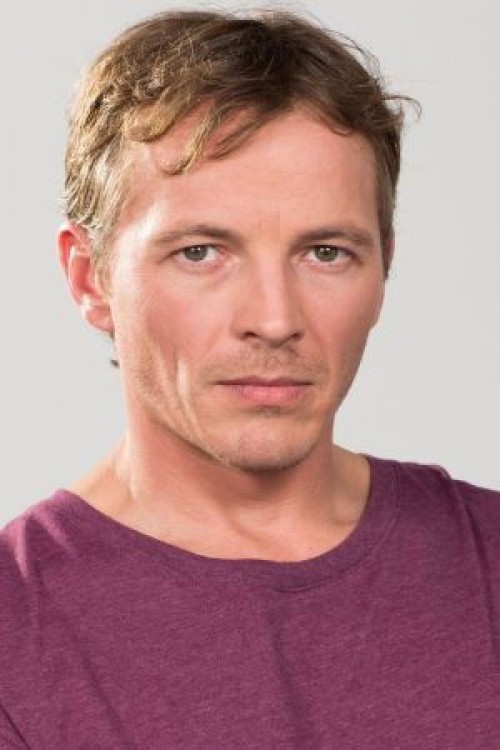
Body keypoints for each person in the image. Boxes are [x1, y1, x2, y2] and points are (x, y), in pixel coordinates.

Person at [1, 8, 499, 749]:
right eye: (201, 252)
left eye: (325, 253)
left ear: (383, 267)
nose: (274, 319)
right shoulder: (16, 634)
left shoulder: (488, 558)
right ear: (89, 278)